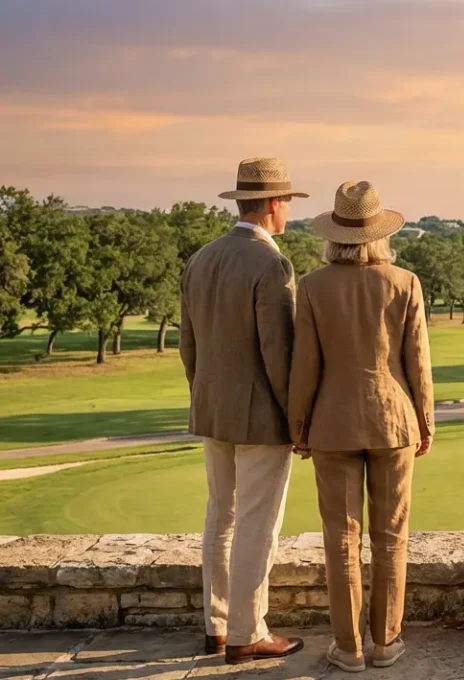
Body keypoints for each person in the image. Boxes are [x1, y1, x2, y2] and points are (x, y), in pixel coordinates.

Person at [287, 181, 434, 672]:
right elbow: (418, 363)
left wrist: (298, 425)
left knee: (341, 540)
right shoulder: (405, 282)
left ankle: (348, 649)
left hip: (331, 424)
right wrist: (427, 421)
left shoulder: (312, 285)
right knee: (391, 539)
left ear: (335, 234)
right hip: (395, 421)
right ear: (380, 234)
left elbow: (303, 365)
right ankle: (386, 644)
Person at [181, 157, 308, 664]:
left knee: (221, 518)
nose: (289, 215)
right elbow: (280, 355)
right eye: (288, 205)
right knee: (257, 524)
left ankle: (216, 627)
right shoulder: (270, 263)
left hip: (212, 408)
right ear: (275, 204)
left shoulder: (200, 258)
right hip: (260, 416)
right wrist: (296, 421)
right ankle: (247, 633)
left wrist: (205, 394)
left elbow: (188, 346)